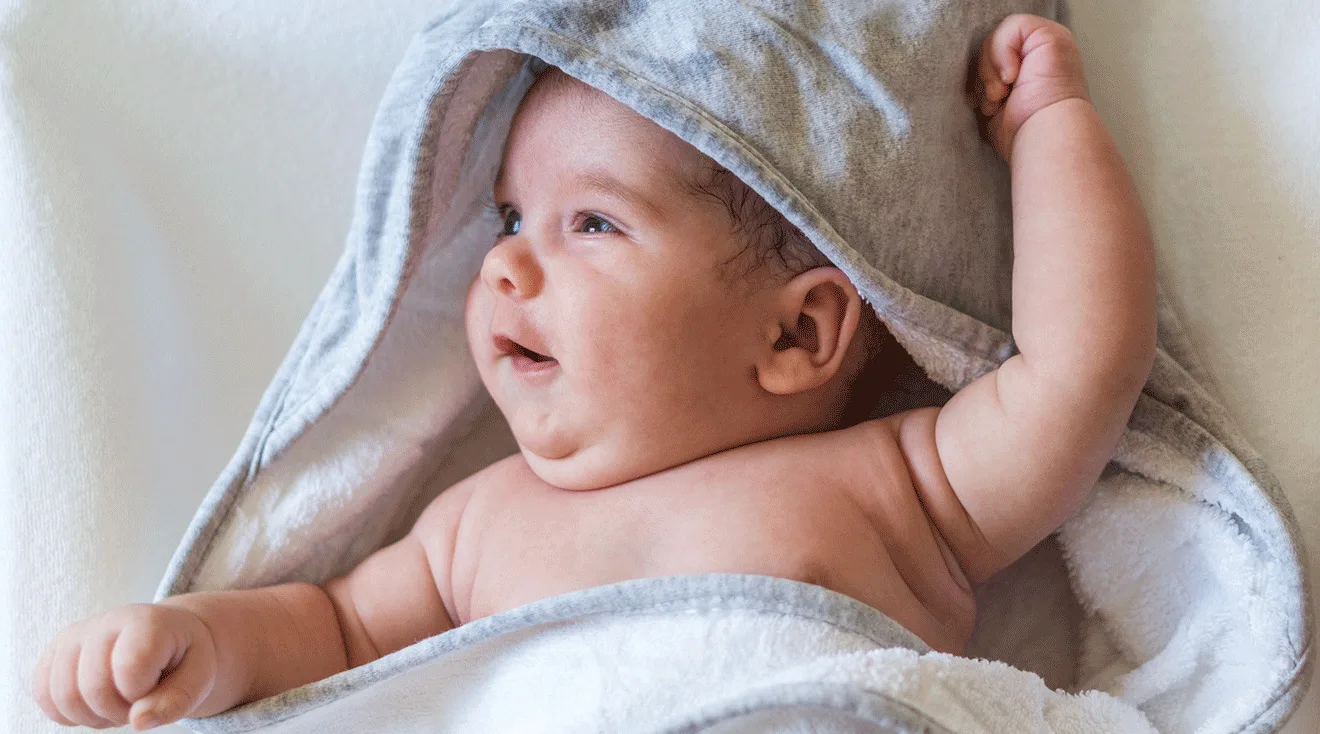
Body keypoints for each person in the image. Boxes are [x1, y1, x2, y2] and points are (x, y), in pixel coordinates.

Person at [33, 14, 1156, 730]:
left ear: (797, 336)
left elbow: (1078, 368)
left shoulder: (902, 489)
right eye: (510, 216)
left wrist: (1049, 126)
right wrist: (207, 644)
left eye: (594, 224)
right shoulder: (473, 525)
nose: (506, 263)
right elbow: (335, 635)